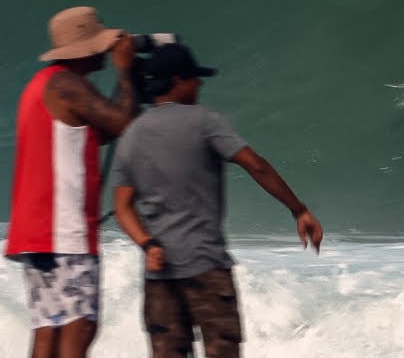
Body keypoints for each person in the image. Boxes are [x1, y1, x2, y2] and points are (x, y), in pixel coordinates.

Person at [111, 42, 324, 358]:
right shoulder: (204, 121)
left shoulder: (132, 134)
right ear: (177, 80)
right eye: (193, 77)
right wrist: (299, 210)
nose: (199, 84)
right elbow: (255, 165)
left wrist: (148, 245)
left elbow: (122, 207)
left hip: (160, 276)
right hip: (206, 268)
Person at [5, 6, 140, 358]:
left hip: (36, 230)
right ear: (85, 49)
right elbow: (124, 124)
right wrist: (125, 70)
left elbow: (103, 130)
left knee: (49, 329)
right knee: (80, 326)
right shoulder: (68, 84)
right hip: (64, 228)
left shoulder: (42, 85)